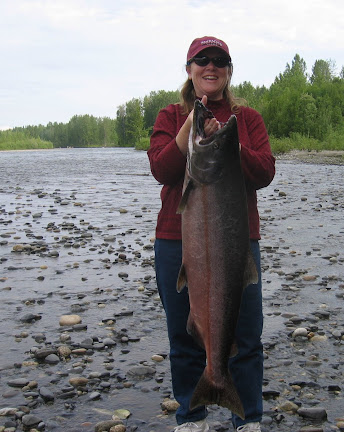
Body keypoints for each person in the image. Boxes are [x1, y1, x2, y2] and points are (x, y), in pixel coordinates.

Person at [147, 36, 276, 432]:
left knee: (246, 336)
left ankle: (248, 418)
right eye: (202, 59)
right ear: (189, 69)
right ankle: (191, 417)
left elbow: (265, 171)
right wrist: (190, 127)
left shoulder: (246, 119)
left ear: (229, 71)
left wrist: (228, 143)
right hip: (176, 243)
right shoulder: (170, 116)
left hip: (236, 243)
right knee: (184, 336)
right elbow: (162, 169)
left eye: (220, 60)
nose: (211, 66)